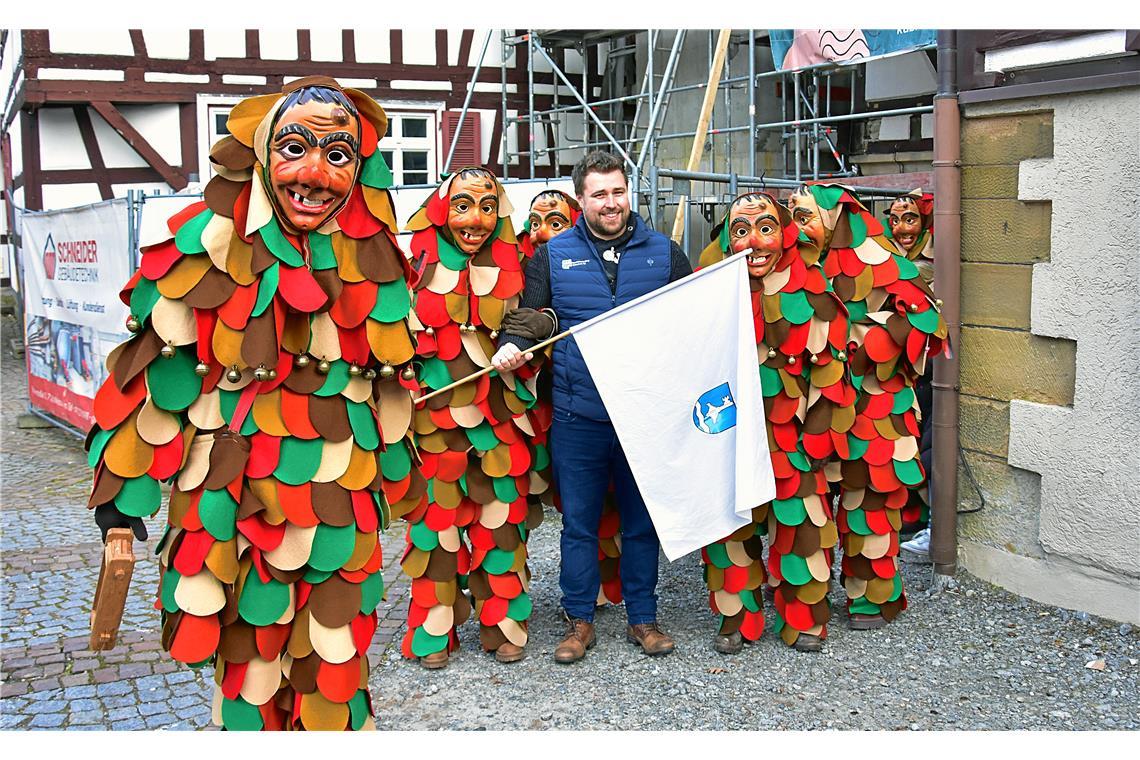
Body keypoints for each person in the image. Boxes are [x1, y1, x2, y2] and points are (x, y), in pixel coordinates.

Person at [86, 77, 419, 730]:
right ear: (262, 153)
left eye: (340, 154)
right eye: (296, 147)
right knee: (250, 667)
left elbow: (391, 378)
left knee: (334, 667)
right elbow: (150, 375)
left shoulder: (372, 253)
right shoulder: (204, 246)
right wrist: (121, 510)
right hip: (228, 498)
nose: (316, 173)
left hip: (339, 502)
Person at [491, 150, 692, 663]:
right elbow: (535, 317)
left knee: (641, 524)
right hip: (579, 416)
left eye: (618, 192)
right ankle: (579, 620)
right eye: (599, 194)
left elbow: (691, 324)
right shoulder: (552, 256)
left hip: (642, 419)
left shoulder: (664, 253)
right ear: (581, 199)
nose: (611, 203)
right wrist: (511, 344)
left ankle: (642, 619)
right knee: (578, 523)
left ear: (630, 194)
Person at [398, 167, 552, 668]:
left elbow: (545, 318)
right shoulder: (413, 266)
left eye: (488, 207)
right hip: (433, 423)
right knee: (435, 528)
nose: (477, 219)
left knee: (501, 523)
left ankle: (503, 623)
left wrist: (522, 340)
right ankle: (434, 632)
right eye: (464, 205)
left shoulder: (521, 265)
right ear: (444, 210)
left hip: (501, 420)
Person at [696, 192, 852, 653]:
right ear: (728, 240)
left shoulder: (812, 290)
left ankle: (803, 616)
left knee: (802, 524)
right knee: (730, 525)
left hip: (793, 434)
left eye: (765, 228)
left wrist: (819, 433)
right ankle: (736, 616)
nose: (755, 242)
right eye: (741, 231)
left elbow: (829, 368)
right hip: (732, 431)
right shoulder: (708, 293)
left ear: (783, 233)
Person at [787, 183, 947, 629]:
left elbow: (928, 319)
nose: (796, 227)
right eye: (792, 217)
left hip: (874, 410)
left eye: (805, 217)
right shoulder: (788, 268)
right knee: (804, 505)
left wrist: (864, 346)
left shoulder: (879, 261)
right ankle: (803, 596)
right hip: (809, 406)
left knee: (869, 505)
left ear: (834, 221)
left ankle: (869, 597)